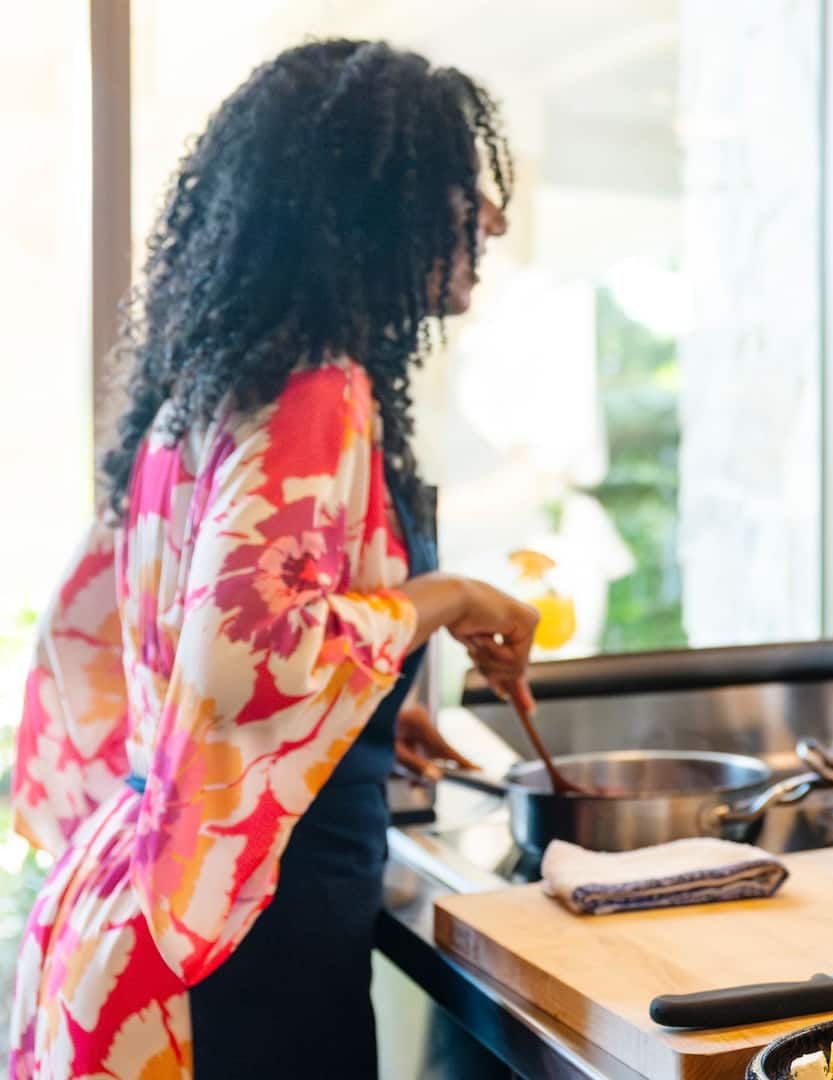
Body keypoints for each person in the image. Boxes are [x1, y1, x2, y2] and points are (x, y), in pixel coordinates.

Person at [9, 40, 539, 1077]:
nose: (492, 217)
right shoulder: (317, 390)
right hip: (246, 949)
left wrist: (364, 722)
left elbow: (95, 636)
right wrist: (452, 597)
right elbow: (244, 657)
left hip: (147, 909)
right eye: (459, 185)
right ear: (375, 210)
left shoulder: (213, 385)